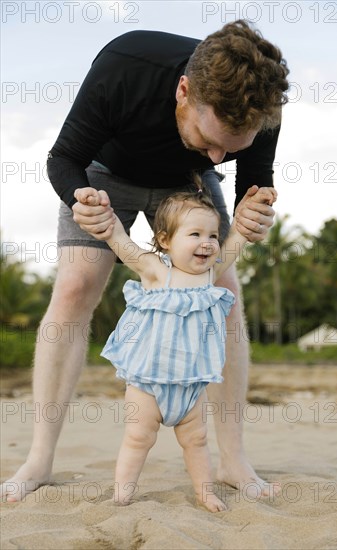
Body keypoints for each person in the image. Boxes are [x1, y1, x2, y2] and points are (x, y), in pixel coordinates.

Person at [1, 19, 289, 502]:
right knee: (75, 286)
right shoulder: (126, 67)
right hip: (104, 170)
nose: (219, 155)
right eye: (210, 138)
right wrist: (81, 199)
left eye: (230, 149)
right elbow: (63, 159)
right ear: (183, 91)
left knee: (226, 296)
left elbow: (252, 188)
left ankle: (233, 460)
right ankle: (39, 458)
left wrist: (253, 216)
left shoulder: (259, 105)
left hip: (186, 186)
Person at [74, 182, 277, 512]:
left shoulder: (210, 276)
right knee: (138, 438)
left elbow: (237, 238)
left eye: (212, 236)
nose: (207, 243)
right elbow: (121, 241)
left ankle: (205, 493)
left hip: (191, 386)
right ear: (166, 241)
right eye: (194, 234)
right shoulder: (156, 272)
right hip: (148, 385)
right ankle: (122, 494)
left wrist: (250, 208)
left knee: (197, 441)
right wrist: (104, 213)